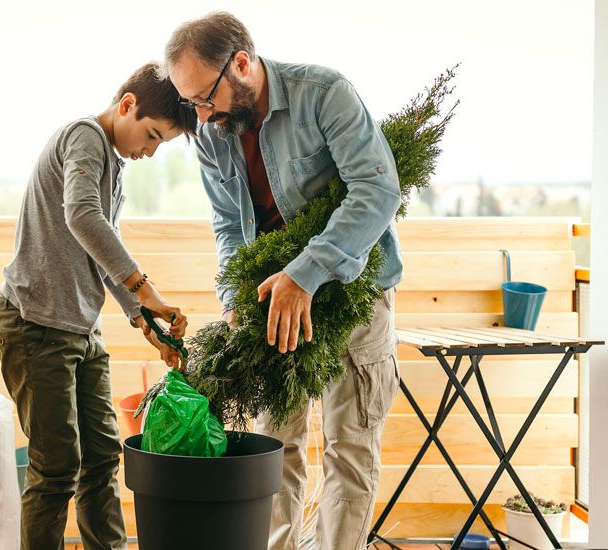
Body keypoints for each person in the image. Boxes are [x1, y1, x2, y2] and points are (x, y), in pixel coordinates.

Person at [163, 13, 402, 549]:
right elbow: (228, 223)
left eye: (205, 97)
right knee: (274, 447)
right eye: (191, 104)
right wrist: (232, 296)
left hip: (355, 294)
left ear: (242, 65)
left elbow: (377, 190)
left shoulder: (324, 94)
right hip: (272, 304)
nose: (202, 115)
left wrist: (306, 273)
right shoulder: (211, 131)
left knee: (350, 447)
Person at [0, 62, 195, 550]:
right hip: (34, 326)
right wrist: (145, 289)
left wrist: (140, 316)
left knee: (102, 458)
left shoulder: (114, 166)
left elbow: (98, 245)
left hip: (80, 330)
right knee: (56, 468)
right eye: (151, 136)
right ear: (126, 105)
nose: (149, 151)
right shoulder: (84, 137)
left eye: (159, 145)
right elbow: (81, 215)